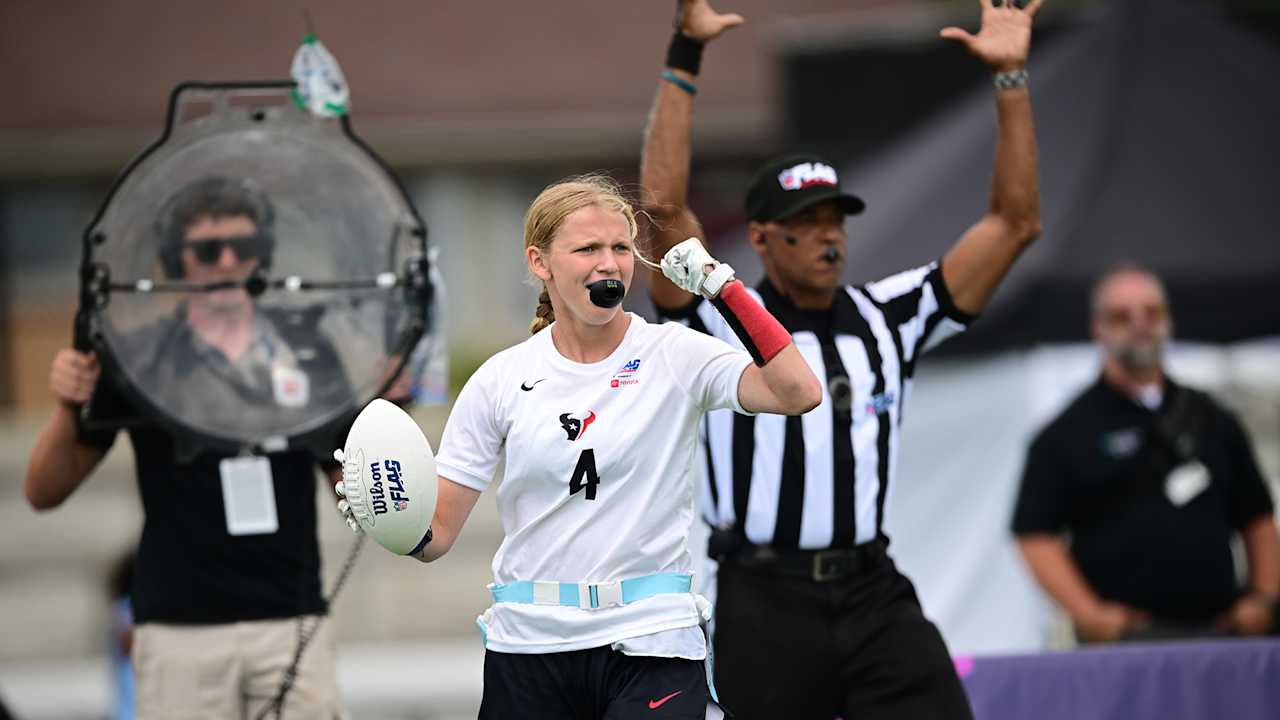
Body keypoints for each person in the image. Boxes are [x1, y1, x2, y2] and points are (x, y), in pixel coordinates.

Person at [638, 0, 1044, 717]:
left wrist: (1011, 79)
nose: (828, 237)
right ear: (760, 239)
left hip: (871, 590)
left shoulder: (892, 313)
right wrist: (685, 58)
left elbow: (1014, 224)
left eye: (835, 218)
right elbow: (664, 215)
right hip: (764, 598)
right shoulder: (714, 318)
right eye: (805, 224)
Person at [347, 174, 820, 719]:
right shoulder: (501, 378)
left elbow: (798, 391)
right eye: (588, 248)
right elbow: (436, 537)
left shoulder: (674, 353)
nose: (609, 263)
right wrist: (385, 511)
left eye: (621, 248)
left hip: (651, 638)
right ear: (540, 262)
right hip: (529, 646)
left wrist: (724, 286)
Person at [25, 177, 347, 719]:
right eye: (205, 249)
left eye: (241, 247)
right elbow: (44, 490)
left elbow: (348, 481)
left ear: (260, 254)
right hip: (178, 629)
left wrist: (388, 422)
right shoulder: (140, 357)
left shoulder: (308, 350)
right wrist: (66, 404)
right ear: (178, 259)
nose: (225, 261)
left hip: (292, 620)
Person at [1012, 265, 1280, 643]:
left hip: (1220, 632)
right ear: (1097, 328)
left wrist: (1263, 600)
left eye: (1152, 312)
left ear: (1168, 321)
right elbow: (1033, 533)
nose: (1140, 324)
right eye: (1122, 316)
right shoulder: (1066, 433)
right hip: (1128, 642)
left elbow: (1258, 516)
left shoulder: (1212, 418)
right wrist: (1089, 614)